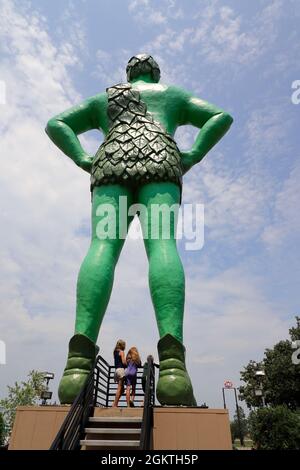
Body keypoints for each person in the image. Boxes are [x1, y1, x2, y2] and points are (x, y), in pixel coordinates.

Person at [46, 54, 233, 405]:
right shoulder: (172, 94)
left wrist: (82, 158)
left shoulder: (105, 98)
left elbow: (57, 123)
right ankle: (174, 368)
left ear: (128, 74)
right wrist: (192, 155)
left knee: (101, 247)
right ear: (156, 73)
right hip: (161, 160)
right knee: (163, 246)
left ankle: (77, 368)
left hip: (110, 164)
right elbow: (221, 117)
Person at [112, 339, 127, 407]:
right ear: (122, 345)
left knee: (122, 389)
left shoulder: (115, 352)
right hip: (121, 370)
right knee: (120, 388)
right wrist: (128, 364)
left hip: (116, 371)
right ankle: (115, 405)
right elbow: (123, 362)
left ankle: (114, 403)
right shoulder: (121, 352)